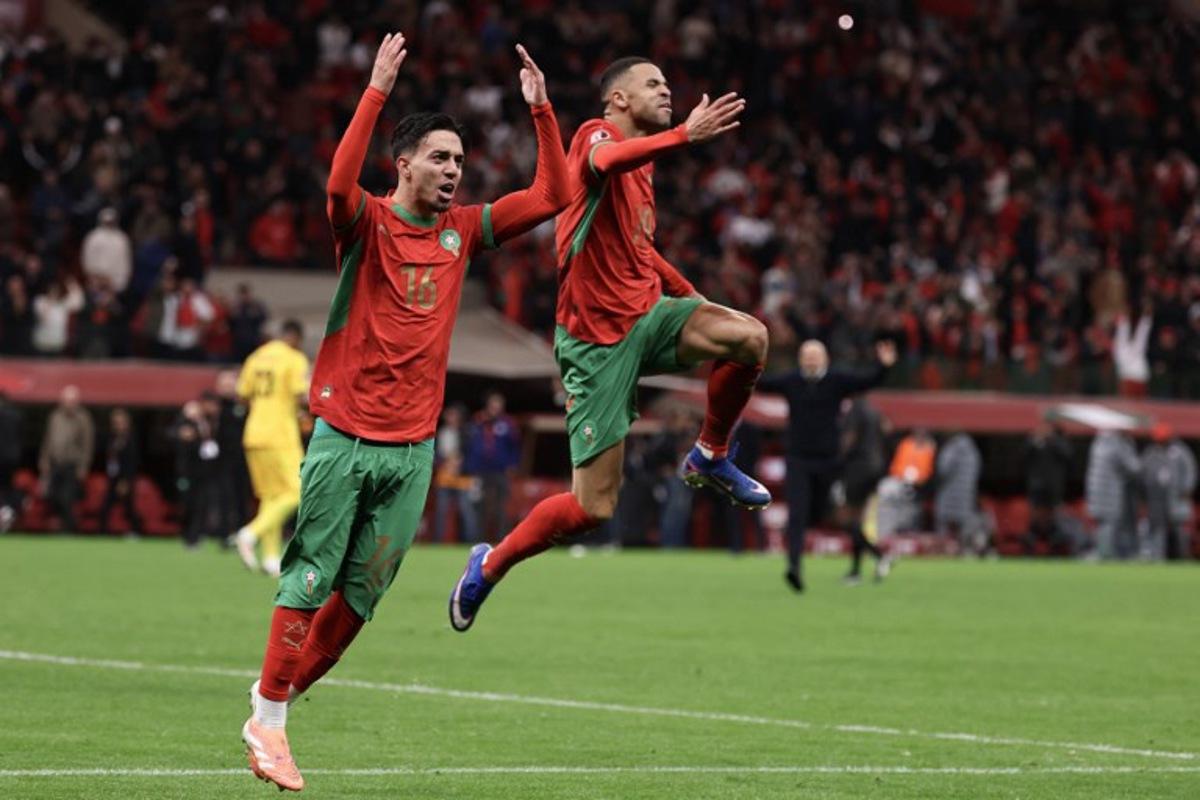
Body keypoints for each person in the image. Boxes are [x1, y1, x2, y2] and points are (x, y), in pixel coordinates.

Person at [241, 36, 571, 792]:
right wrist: (375, 93)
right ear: (404, 165)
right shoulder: (365, 222)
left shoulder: (463, 233)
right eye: (440, 158)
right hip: (346, 436)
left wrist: (542, 110)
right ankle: (270, 719)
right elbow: (336, 186)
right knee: (310, 577)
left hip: (414, 449)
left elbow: (552, 196)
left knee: (360, 600)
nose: (454, 170)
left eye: (460, 161)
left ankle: (270, 707)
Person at [450, 55, 771, 630]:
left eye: (668, 83)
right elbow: (603, 160)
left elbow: (640, 252)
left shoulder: (642, 170)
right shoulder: (596, 136)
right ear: (619, 99)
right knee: (592, 508)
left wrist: (692, 299)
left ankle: (710, 454)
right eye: (654, 84)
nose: (667, 91)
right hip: (595, 342)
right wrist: (683, 135)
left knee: (748, 337)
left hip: (648, 315)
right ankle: (490, 564)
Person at [752, 339, 896, 593]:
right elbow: (760, 383)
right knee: (796, 515)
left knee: (835, 517)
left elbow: (867, 381)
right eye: (806, 355)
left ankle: (876, 553)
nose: (810, 360)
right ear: (799, 359)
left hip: (829, 462)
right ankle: (794, 567)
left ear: (825, 358)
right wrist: (739, 361)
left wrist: (883, 367)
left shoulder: (836, 380)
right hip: (798, 460)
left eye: (815, 355)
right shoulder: (791, 381)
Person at [233, 320, 309, 577]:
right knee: (298, 491)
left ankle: (270, 557)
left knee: (271, 496)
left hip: (254, 433)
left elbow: (241, 395)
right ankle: (250, 533)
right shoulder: (294, 358)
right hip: (280, 435)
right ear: (295, 338)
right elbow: (301, 395)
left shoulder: (255, 357)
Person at [837, 397, 891, 583]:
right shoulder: (875, 412)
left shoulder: (854, 411)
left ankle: (879, 555)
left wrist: (837, 461)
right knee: (857, 522)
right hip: (875, 469)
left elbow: (849, 440)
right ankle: (856, 571)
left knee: (847, 520)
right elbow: (887, 431)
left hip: (858, 469)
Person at [466, 390, 521, 541]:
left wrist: (513, 465)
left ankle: (501, 539)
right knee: (479, 505)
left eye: (499, 403)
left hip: (501, 470)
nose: (496, 406)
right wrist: (470, 467)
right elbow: (470, 446)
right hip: (480, 471)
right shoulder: (477, 421)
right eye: (493, 403)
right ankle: (478, 539)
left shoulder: (508, 424)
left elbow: (515, 447)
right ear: (488, 404)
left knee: (501, 506)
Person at [38, 385, 94, 532]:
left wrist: (83, 467)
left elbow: (87, 445)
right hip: (55, 464)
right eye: (66, 400)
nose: (68, 404)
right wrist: (44, 460)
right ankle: (61, 524)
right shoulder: (55, 416)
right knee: (51, 495)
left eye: (71, 401)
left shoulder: (83, 418)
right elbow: (47, 440)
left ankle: (69, 529)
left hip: (72, 465)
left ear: (76, 402)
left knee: (66, 498)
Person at [1140, 424, 1197, 560]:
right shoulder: (1151, 453)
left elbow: (1190, 470)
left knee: (1178, 527)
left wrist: (1187, 488)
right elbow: (1143, 472)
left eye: (1163, 439)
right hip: (1156, 498)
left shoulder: (1180, 452)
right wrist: (1145, 492)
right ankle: (1158, 556)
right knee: (1157, 527)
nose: (1161, 442)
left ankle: (1181, 555)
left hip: (1176, 496)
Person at [1085, 428, 1141, 559]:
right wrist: (1130, 446)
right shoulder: (1116, 446)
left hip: (1095, 490)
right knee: (1110, 522)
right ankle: (1105, 553)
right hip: (1109, 490)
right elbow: (1133, 467)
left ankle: (1102, 551)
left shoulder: (1098, 443)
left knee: (1102, 523)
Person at [1021, 422, 1074, 555]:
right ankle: (1030, 546)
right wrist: (1036, 441)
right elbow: (1023, 456)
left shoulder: (1059, 441)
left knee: (1054, 518)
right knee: (1036, 516)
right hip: (1036, 486)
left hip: (1054, 488)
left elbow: (1068, 455)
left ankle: (1055, 547)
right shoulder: (1034, 441)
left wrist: (1051, 440)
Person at [433, 404, 479, 543]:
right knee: (441, 510)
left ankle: (469, 541)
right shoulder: (441, 432)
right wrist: (443, 462)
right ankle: (437, 540)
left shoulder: (467, 432)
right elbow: (436, 454)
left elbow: (472, 453)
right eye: (448, 415)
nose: (450, 417)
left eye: (453, 415)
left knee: (466, 510)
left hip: (462, 477)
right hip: (445, 476)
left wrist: (461, 464)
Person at [934, 431, 984, 555]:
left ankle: (943, 551)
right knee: (964, 528)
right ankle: (965, 551)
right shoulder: (973, 451)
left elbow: (943, 469)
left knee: (943, 527)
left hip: (948, 494)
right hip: (967, 495)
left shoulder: (950, 449)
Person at [98, 408, 143, 536]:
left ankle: (136, 530)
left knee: (129, 506)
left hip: (125, 478)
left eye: (120, 422)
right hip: (113, 477)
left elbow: (132, 462)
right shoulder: (112, 438)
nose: (118, 425)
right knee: (106, 506)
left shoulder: (130, 439)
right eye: (115, 423)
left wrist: (126, 481)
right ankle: (103, 531)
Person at [80, 207, 132, 294]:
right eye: (107, 221)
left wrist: (119, 282)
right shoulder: (93, 237)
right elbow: (87, 258)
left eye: (111, 222)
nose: (109, 224)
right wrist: (94, 276)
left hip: (115, 283)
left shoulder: (122, 239)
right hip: (96, 279)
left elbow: (125, 261)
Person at [0, 392, 22, 533]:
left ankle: (6, 511)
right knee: (7, 487)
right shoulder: (16, 416)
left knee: (5, 488)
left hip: (2, 458)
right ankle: (8, 510)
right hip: (13, 459)